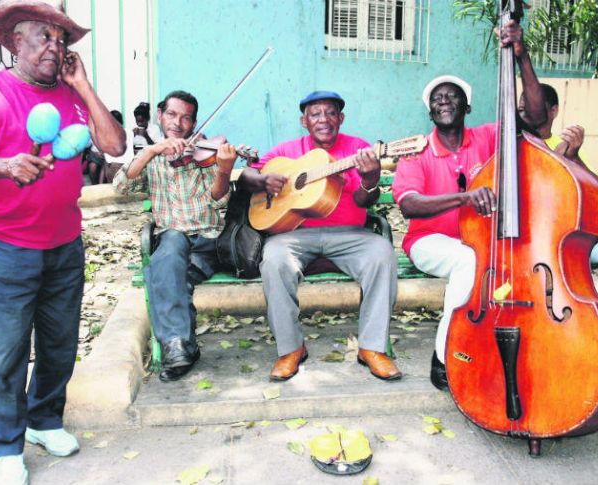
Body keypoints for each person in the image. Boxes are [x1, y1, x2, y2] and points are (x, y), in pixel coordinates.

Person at [0, 1, 126, 484]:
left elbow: (114, 146)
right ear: (15, 42)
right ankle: (5, 445)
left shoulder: (71, 96)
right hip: (5, 246)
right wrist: (5, 166)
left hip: (66, 243)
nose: (55, 45)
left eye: (60, 38)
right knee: (4, 351)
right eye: (43, 36)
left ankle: (44, 421)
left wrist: (83, 86)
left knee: (58, 343)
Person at [391, 19, 546, 391]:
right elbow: (409, 206)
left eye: (452, 96)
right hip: (430, 243)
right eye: (436, 99)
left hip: (485, 240)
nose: (444, 101)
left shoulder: (490, 137)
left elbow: (537, 118)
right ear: (430, 112)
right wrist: (464, 197)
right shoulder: (416, 151)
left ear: (468, 106)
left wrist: (521, 57)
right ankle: (445, 357)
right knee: (469, 260)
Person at [239, 91, 402, 382]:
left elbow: (366, 202)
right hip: (295, 235)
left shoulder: (359, 149)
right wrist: (263, 180)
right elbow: (246, 178)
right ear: (304, 121)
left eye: (330, 113)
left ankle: (372, 347)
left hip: (350, 236)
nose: (323, 119)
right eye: (315, 114)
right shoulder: (286, 151)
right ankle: (290, 348)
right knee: (274, 258)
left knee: (382, 253)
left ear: (341, 118)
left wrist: (370, 179)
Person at [113, 90, 239, 383]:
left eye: (186, 118)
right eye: (172, 114)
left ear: (194, 123)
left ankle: (178, 348)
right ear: (160, 115)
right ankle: (179, 347)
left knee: (165, 269)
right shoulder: (152, 159)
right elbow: (120, 188)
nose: (178, 123)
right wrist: (151, 151)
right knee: (170, 244)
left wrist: (224, 170)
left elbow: (219, 200)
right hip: (173, 241)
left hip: (208, 242)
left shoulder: (204, 154)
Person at [518, 83, 598, 264]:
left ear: (553, 111)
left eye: (534, 108)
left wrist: (573, 158)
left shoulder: (568, 144)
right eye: (522, 109)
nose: (526, 115)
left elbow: (595, 188)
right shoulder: (511, 143)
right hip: (524, 229)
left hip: (563, 226)